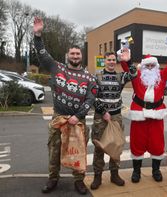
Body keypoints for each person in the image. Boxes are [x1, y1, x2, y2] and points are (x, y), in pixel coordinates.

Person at [33, 17, 97, 195]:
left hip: (78, 122)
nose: (75, 56)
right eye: (72, 53)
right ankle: (53, 179)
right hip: (58, 119)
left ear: (81, 56)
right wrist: (38, 35)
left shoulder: (89, 78)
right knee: (54, 151)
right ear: (67, 55)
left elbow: (90, 99)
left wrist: (78, 115)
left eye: (78, 54)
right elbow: (42, 54)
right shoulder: (57, 68)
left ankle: (79, 181)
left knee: (79, 152)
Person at [118, 36, 167, 183]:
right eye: (148, 66)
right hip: (139, 114)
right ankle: (136, 171)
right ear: (143, 67)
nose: (150, 68)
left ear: (156, 67)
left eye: (153, 66)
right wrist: (125, 52)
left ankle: (156, 170)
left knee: (157, 143)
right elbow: (127, 66)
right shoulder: (136, 75)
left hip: (156, 115)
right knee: (137, 143)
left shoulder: (162, 76)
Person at [90, 51, 137, 190]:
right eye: (108, 60)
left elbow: (134, 74)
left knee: (116, 145)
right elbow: (92, 97)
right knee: (99, 146)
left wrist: (128, 61)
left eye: (113, 60)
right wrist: (103, 112)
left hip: (116, 116)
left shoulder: (120, 76)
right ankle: (97, 176)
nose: (111, 62)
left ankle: (114, 174)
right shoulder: (96, 76)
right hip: (101, 117)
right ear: (104, 61)